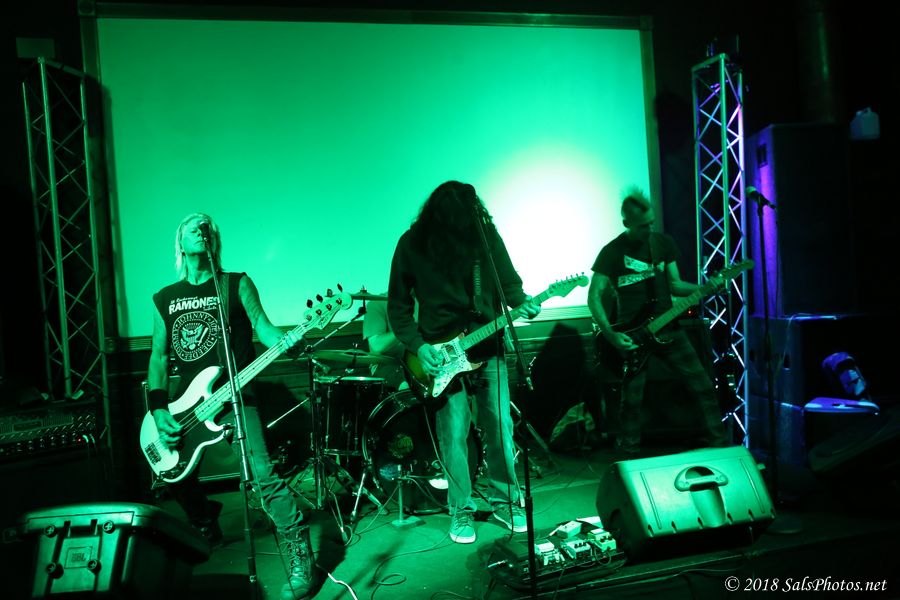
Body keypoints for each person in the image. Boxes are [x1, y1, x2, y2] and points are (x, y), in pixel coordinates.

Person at [146, 213, 314, 600]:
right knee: (172, 473)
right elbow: (158, 357)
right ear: (180, 242)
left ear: (214, 241)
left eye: (206, 226)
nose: (200, 228)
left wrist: (287, 340)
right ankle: (205, 520)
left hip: (237, 395)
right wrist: (158, 409)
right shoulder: (164, 298)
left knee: (262, 475)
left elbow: (262, 326)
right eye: (192, 226)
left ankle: (298, 548)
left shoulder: (236, 283)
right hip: (187, 404)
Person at [387, 180, 540, 544]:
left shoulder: (483, 238)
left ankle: (508, 502)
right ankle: (461, 510)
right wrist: (418, 346)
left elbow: (509, 284)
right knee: (454, 434)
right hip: (441, 356)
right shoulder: (413, 243)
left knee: (500, 426)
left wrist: (524, 303)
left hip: (488, 346)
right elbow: (398, 306)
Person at [587, 188, 728, 458]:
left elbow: (675, 284)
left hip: (670, 329)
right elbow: (594, 297)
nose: (649, 229)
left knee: (703, 387)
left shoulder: (662, 244)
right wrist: (611, 335)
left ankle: (720, 448)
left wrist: (705, 288)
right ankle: (628, 458)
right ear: (627, 223)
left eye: (651, 223)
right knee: (631, 402)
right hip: (634, 335)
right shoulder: (611, 252)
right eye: (643, 226)